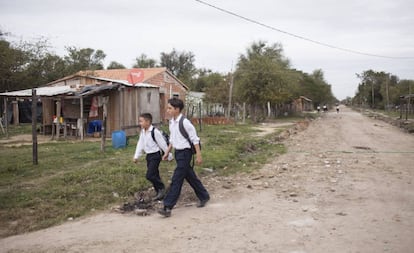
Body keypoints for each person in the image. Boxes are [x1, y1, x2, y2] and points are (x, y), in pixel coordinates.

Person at [158, 97, 210, 217]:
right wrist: (167, 152)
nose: (168, 110)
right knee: (190, 176)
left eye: (170, 108)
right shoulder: (171, 122)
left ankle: (167, 206)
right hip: (178, 153)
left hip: (186, 153)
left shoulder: (185, 122)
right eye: (168, 108)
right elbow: (172, 139)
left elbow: (195, 139)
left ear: (177, 109)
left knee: (177, 179)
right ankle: (204, 196)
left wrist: (199, 155)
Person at [133, 113, 171, 201]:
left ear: (148, 122)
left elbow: (163, 144)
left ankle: (161, 188)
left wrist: (168, 155)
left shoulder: (155, 132)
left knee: (149, 175)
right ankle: (159, 193)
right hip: (149, 156)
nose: (140, 123)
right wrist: (136, 156)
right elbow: (140, 144)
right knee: (155, 174)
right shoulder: (143, 132)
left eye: (141, 121)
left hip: (155, 155)